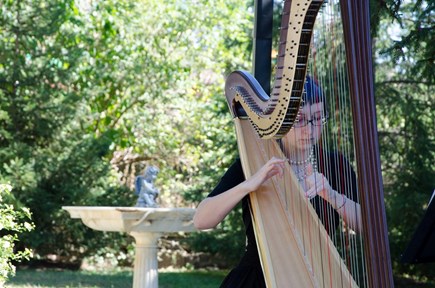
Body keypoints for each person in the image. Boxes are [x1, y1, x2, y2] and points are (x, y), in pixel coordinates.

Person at [193, 76, 362, 288]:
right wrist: (249, 184)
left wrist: (332, 195)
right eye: (299, 120)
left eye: (318, 118)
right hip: (257, 279)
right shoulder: (254, 163)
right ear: (282, 119)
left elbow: (367, 226)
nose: (309, 130)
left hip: (320, 277)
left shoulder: (336, 165)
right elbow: (201, 220)